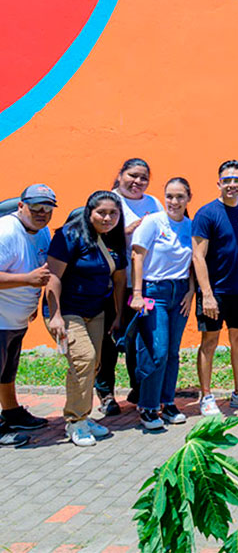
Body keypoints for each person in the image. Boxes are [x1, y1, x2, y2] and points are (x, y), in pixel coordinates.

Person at [45, 191, 126, 447]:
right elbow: (53, 277)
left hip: (96, 311)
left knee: (93, 364)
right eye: (101, 212)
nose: (107, 217)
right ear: (89, 212)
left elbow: (119, 279)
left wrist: (118, 315)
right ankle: (75, 421)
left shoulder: (111, 240)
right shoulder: (69, 235)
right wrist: (55, 315)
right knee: (84, 359)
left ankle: (84, 415)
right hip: (67, 310)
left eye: (113, 213)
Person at [191, 160, 238, 415]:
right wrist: (208, 295)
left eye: (237, 181)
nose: (232, 185)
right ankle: (206, 396)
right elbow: (198, 256)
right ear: (219, 183)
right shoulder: (207, 213)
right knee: (209, 343)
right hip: (215, 293)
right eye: (227, 180)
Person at [96, 158, 162, 417]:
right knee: (110, 339)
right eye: (132, 175)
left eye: (143, 178)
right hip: (113, 284)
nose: (138, 182)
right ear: (120, 174)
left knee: (140, 338)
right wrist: (125, 231)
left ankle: (137, 388)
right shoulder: (109, 200)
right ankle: (106, 393)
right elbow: (95, 233)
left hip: (144, 284)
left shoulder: (154, 203)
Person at [130, 178, 195, 430]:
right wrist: (137, 294)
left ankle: (167, 402)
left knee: (172, 352)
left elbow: (193, 262)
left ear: (188, 198)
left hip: (179, 292)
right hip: (152, 291)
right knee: (156, 350)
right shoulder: (153, 222)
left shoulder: (190, 226)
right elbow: (137, 256)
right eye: (169, 196)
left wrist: (190, 291)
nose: (174, 202)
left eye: (179, 197)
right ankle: (147, 406)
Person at [0, 185, 56, 446]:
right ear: (21, 205)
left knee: (7, 371)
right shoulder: (6, 232)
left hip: (16, 319)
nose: (41, 213)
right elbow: (30, 274)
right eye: (35, 207)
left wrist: (32, 302)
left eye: (47, 208)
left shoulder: (41, 231)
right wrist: (27, 280)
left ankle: (11, 412)